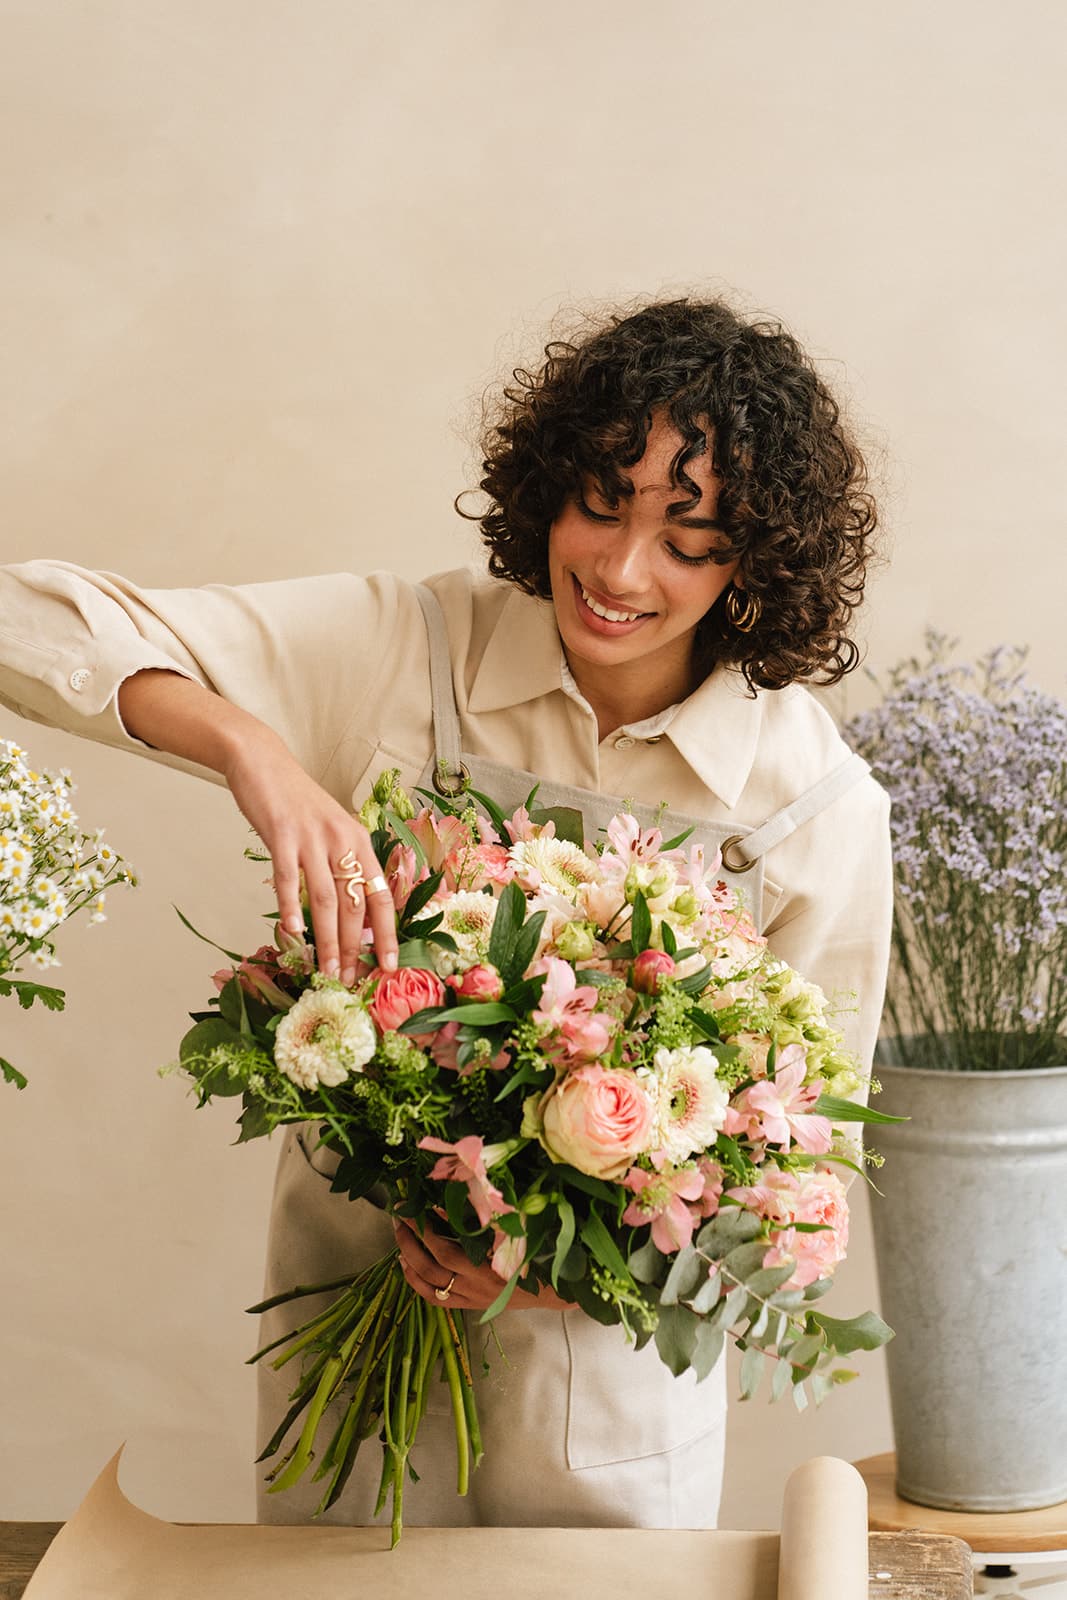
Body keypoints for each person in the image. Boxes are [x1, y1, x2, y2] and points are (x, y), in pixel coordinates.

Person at [0, 296, 892, 1531]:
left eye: (688, 539)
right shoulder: (406, 649)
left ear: (757, 559)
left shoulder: (810, 808)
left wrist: (536, 1273)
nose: (622, 570)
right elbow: (23, 617)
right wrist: (253, 751)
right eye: (600, 501)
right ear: (546, 489)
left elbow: (798, 1192)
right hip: (345, 1355)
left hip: (606, 1438)